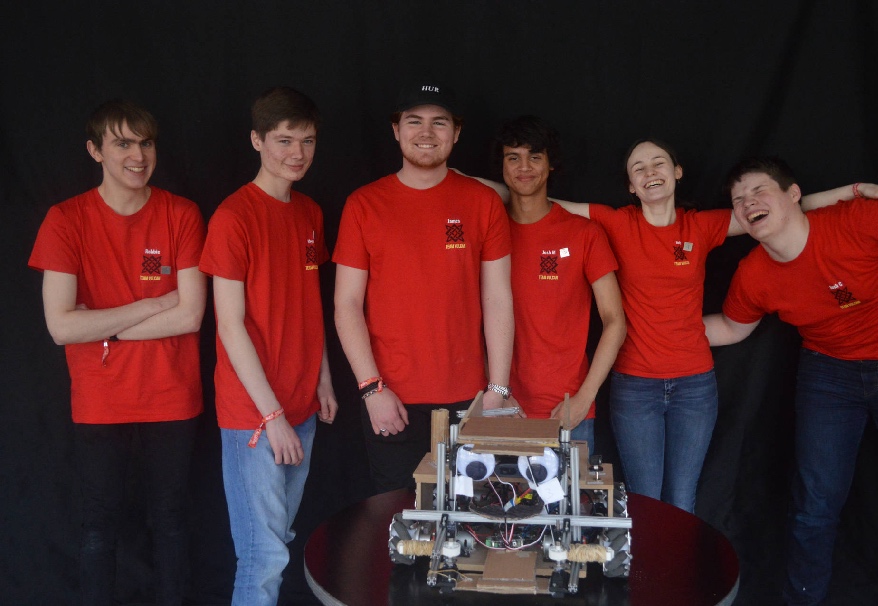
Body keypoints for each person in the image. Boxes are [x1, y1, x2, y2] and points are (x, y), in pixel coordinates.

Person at [543, 139, 878, 514]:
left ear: (677, 172)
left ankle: (679, 575)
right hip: (635, 387)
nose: (650, 172)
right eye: (639, 168)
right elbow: (534, 200)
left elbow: (782, 209)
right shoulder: (616, 221)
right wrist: (477, 184)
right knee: (645, 501)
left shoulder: (701, 225)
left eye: (659, 163)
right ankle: (643, 574)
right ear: (631, 187)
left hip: (695, 387)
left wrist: (855, 190)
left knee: (683, 501)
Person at [703, 157, 878, 605]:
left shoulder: (859, 218)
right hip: (830, 375)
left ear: (794, 194)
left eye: (759, 191)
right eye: (739, 200)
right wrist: (649, 328)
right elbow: (731, 328)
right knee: (814, 506)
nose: (748, 204)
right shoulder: (754, 273)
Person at [28, 100, 205, 605]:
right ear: (95, 150)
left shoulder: (181, 213)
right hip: (100, 401)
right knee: (98, 527)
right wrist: (152, 305)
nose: (137, 155)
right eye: (122, 143)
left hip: (171, 397)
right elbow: (61, 327)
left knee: (171, 523)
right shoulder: (65, 220)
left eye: (145, 143)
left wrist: (103, 328)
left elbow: (190, 315)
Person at [333, 81, 514, 493]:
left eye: (439, 122)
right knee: (400, 526)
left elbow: (498, 298)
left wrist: (498, 390)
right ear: (396, 130)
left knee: (470, 525)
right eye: (414, 121)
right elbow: (346, 303)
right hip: (391, 397)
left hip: (470, 399)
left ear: (456, 133)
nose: (427, 132)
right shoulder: (364, 204)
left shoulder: (481, 202)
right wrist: (370, 389)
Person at [199, 87, 338, 605]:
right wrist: (272, 414)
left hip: (300, 404)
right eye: (284, 140)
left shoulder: (308, 213)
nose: (296, 153)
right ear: (257, 141)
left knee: (277, 542)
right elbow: (229, 325)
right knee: (262, 555)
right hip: (256, 417)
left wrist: (322, 377)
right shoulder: (233, 217)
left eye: (307, 140)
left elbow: (309, 304)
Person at [495, 116, 626, 453]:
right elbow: (469, 318)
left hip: (569, 411)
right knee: (499, 506)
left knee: (571, 506)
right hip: (504, 407)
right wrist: (498, 393)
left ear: (551, 165)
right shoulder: (489, 233)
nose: (524, 167)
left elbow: (615, 320)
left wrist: (585, 397)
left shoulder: (584, 234)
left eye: (535, 157)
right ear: (502, 165)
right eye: (513, 157)